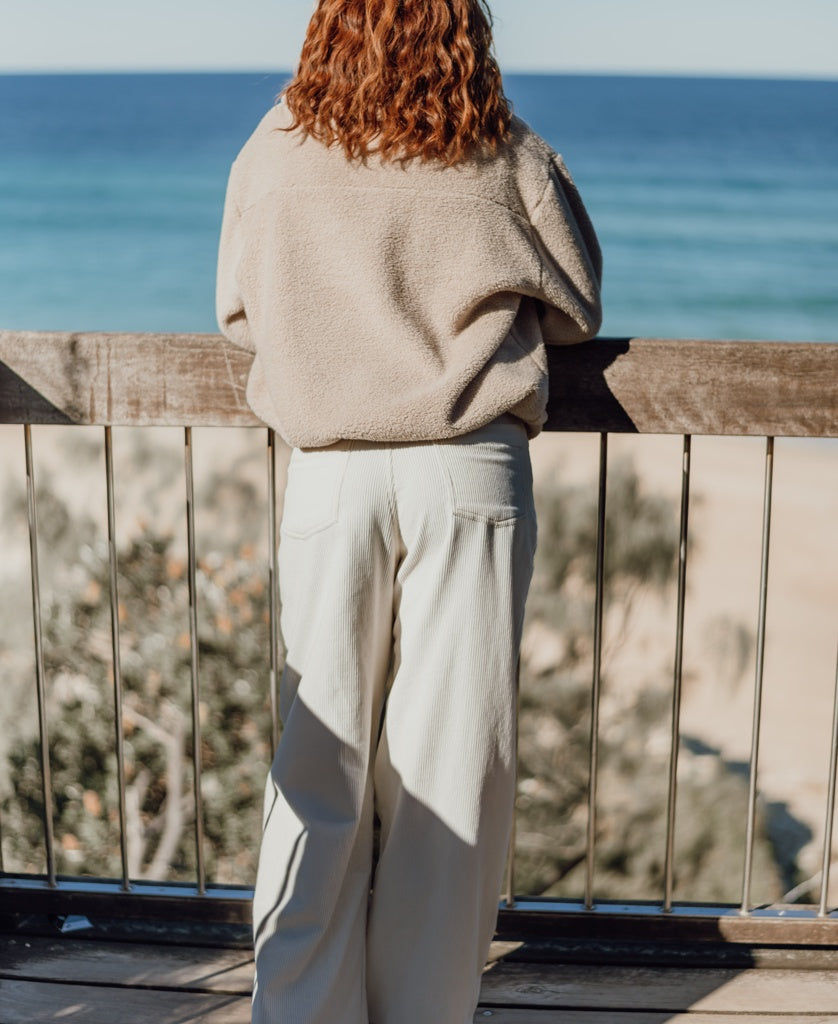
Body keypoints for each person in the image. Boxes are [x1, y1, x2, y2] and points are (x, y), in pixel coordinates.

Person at [216, 2, 601, 1021]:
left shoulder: (277, 145)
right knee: (450, 768)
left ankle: (300, 1008)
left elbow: (238, 306)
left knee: (317, 759)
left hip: (332, 473)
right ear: (463, 34)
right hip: (466, 471)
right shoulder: (499, 148)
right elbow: (577, 300)